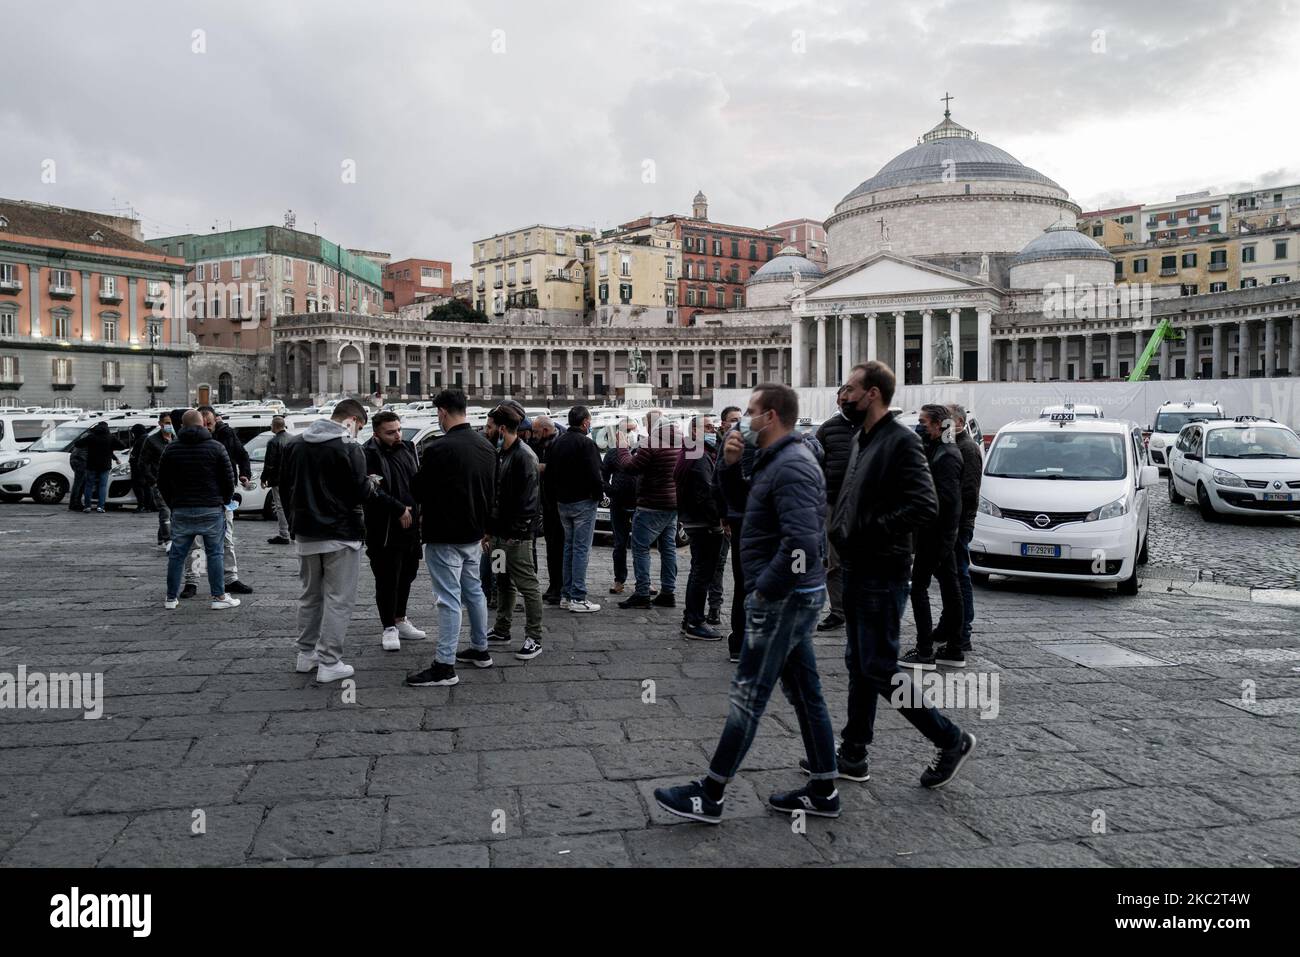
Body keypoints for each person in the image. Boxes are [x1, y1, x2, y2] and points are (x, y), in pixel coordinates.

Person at [654, 384, 839, 824]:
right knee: (806, 694)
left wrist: (763, 591)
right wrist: (731, 468)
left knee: (748, 696)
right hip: (790, 595)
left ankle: (711, 794)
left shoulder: (792, 465)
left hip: (783, 598)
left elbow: (801, 545)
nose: (742, 421)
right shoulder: (775, 460)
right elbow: (740, 509)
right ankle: (825, 788)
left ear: (771, 416)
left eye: (751, 413)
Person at [828, 362, 975, 789]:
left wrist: (869, 528)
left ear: (872, 394)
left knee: (877, 666)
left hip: (882, 569)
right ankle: (854, 753)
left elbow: (925, 505)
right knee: (859, 663)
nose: (843, 396)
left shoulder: (900, 442)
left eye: (850, 390)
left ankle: (949, 738)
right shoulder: (863, 438)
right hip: (858, 564)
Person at [406, 388, 497, 687]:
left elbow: (418, 490)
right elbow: (490, 493)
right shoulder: (486, 446)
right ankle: (480, 649)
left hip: (444, 533)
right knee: (474, 591)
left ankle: (445, 665)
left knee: (448, 599)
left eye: (437, 413)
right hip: (473, 533)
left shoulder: (438, 449)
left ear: (443, 412)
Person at [278, 399, 373, 683]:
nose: (358, 432)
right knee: (338, 599)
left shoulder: (294, 444)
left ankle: (306, 655)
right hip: (341, 534)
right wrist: (372, 483)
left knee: (310, 595)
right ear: (353, 420)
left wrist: (295, 523)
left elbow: (284, 487)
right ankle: (330, 661)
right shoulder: (349, 447)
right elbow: (360, 492)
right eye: (360, 426)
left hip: (306, 533)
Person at [901, 403, 965, 669]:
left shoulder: (947, 455)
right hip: (940, 535)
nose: (921, 427)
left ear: (939, 425)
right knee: (951, 589)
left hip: (936, 535)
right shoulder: (940, 450)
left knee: (919, 589)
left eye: (924, 423)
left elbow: (947, 503)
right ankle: (954, 648)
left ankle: (925, 651)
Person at [156, 410, 240, 611]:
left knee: (177, 555)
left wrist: (173, 503)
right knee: (215, 554)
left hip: (182, 509)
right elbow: (228, 480)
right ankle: (218, 596)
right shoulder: (216, 447)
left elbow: (162, 482)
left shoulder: (171, 449)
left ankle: (170, 598)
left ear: (182, 426)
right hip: (211, 508)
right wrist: (224, 500)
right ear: (203, 424)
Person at [483, 402, 546, 660]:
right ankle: (502, 628)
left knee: (527, 585)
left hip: (515, 537)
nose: (485, 431)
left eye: (488, 427)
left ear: (501, 428)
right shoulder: (503, 453)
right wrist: (490, 531)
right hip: (499, 535)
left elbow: (528, 502)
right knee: (502, 580)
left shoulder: (524, 456)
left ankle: (534, 637)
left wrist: (515, 532)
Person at [362, 410, 426, 652]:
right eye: (390, 432)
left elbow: (417, 481)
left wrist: (421, 508)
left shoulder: (408, 448)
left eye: (398, 430)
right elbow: (370, 491)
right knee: (387, 578)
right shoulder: (368, 453)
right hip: (385, 529)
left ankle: (401, 618)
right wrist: (398, 508)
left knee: (408, 574)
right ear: (376, 433)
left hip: (411, 527)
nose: (397, 435)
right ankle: (388, 626)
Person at [180, 406, 253, 597]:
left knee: (226, 540)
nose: (206, 428)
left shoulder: (226, 436)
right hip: (194, 499)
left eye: (209, 424)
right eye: (203, 424)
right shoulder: (187, 441)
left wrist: (244, 475)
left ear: (216, 420)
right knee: (194, 543)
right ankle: (192, 581)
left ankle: (230, 579)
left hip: (221, 498)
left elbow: (241, 456)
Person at [814, 375, 866, 632]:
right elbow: (816, 467)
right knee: (834, 562)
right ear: (838, 400)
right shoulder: (826, 428)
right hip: (833, 504)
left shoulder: (872, 426)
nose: (846, 401)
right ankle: (838, 611)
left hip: (865, 506)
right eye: (842, 397)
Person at [614, 411, 679, 610]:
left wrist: (622, 448)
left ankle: (642, 593)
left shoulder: (652, 444)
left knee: (640, 548)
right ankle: (668, 592)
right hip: (672, 504)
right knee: (668, 548)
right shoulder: (679, 442)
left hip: (651, 504)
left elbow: (630, 468)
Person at [545, 406, 603, 613]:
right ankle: (577, 596)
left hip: (562, 502)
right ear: (585, 422)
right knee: (580, 549)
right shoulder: (587, 444)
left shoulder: (557, 442)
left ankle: (566, 593)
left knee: (568, 547)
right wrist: (599, 495)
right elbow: (595, 475)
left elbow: (549, 474)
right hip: (583, 502)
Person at [713, 405, 756, 662]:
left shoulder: (735, 436)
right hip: (765, 522)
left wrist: (724, 514)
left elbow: (718, 479)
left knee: (742, 582)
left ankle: (739, 643)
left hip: (740, 520)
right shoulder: (777, 435)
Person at [675, 415, 723, 639]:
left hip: (693, 519)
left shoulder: (690, 452)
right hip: (703, 522)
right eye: (707, 427)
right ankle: (695, 621)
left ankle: (690, 618)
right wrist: (717, 522)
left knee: (698, 571)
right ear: (694, 431)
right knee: (702, 573)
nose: (712, 430)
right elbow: (707, 492)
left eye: (713, 426)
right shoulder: (700, 456)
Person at [940, 402, 982, 656]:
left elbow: (968, 492)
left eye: (947, 420)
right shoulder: (952, 446)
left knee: (959, 577)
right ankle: (948, 625)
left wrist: (956, 523)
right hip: (950, 523)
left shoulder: (968, 448)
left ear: (958, 423)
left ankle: (963, 631)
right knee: (948, 577)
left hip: (958, 524)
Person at [529, 415, 566, 605]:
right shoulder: (538, 443)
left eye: (535, 432)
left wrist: (546, 468)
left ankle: (561, 587)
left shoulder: (562, 441)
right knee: (551, 547)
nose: (532, 435)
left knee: (560, 546)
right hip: (547, 502)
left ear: (544, 430)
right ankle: (554, 585)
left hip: (561, 502)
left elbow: (566, 470)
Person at [601, 418, 639, 595]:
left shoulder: (642, 451)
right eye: (627, 431)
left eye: (633, 430)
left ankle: (643, 580)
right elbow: (602, 476)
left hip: (640, 504)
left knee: (642, 545)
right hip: (619, 503)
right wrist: (611, 491)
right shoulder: (612, 454)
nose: (630, 434)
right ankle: (619, 580)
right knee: (619, 544)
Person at [137, 411, 175, 550]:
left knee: (173, 510)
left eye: (171, 423)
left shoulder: (176, 439)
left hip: (175, 482)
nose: (169, 426)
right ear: (160, 424)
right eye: (167, 423)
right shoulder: (152, 440)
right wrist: (152, 480)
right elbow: (142, 463)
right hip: (159, 481)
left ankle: (162, 537)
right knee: (165, 510)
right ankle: (168, 539)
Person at [73, 421, 120, 513]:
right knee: (102, 486)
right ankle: (100, 507)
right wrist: (111, 447)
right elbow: (122, 445)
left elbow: (77, 444)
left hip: (91, 464)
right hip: (105, 465)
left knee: (89, 485)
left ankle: (87, 506)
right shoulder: (110, 437)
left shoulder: (91, 437)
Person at [261, 415, 291, 545]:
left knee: (280, 506)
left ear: (274, 426)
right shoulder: (292, 439)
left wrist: (264, 478)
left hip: (278, 479)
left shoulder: (273, 442)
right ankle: (293, 532)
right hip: (291, 478)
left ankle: (284, 534)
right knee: (290, 505)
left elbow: (270, 463)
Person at [128, 423, 152, 512]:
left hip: (138, 467)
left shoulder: (141, 440)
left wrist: (133, 459)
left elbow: (137, 454)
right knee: (146, 487)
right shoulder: (147, 438)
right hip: (145, 467)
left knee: (138, 486)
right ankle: (148, 507)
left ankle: (141, 506)